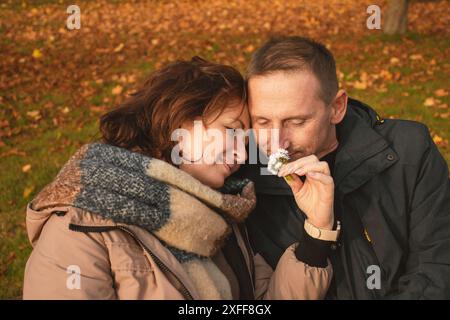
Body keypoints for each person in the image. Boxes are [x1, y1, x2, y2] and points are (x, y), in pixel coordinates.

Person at [23, 56, 334, 300]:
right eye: (232, 131)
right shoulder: (83, 226)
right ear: (179, 119)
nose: (241, 156)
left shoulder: (224, 213)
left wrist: (317, 231)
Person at [238, 36, 450, 299]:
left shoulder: (410, 151)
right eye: (262, 121)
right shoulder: (246, 184)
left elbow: (435, 268)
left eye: (296, 121)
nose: (277, 142)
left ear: (337, 107)